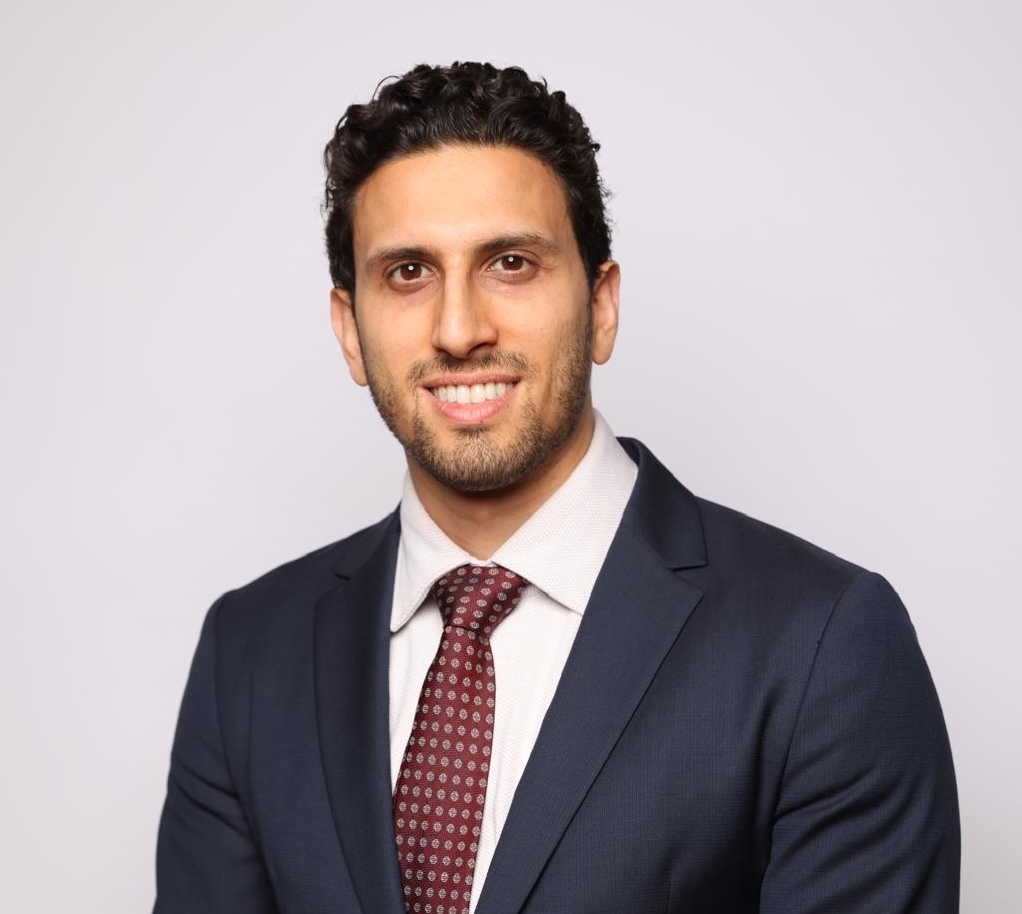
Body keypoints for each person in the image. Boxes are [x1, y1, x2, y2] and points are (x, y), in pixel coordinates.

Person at [153, 62, 960, 913]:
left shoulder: (823, 646)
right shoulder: (249, 653)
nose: (459, 330)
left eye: (510, 262)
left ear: (600, 306)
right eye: (408, 273)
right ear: (350, 332)